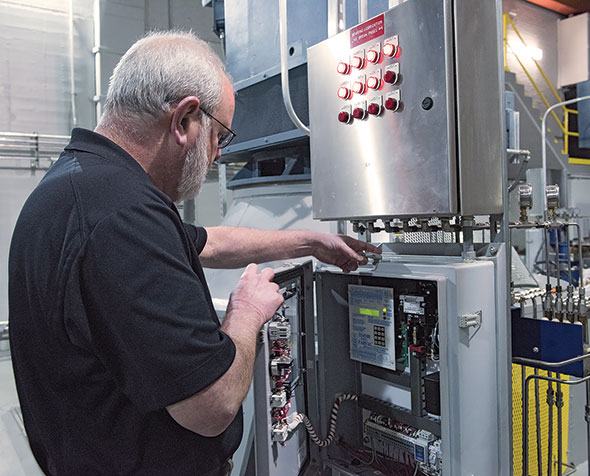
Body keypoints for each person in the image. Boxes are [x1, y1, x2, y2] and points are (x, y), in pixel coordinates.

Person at [8, 31, 380, 476]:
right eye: (219, 134)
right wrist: (245, 312)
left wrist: (310, 242)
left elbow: (208, 241)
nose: (220, 155)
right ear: (185, 119)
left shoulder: (79, 186)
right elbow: (212, 405)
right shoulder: (123, 216)